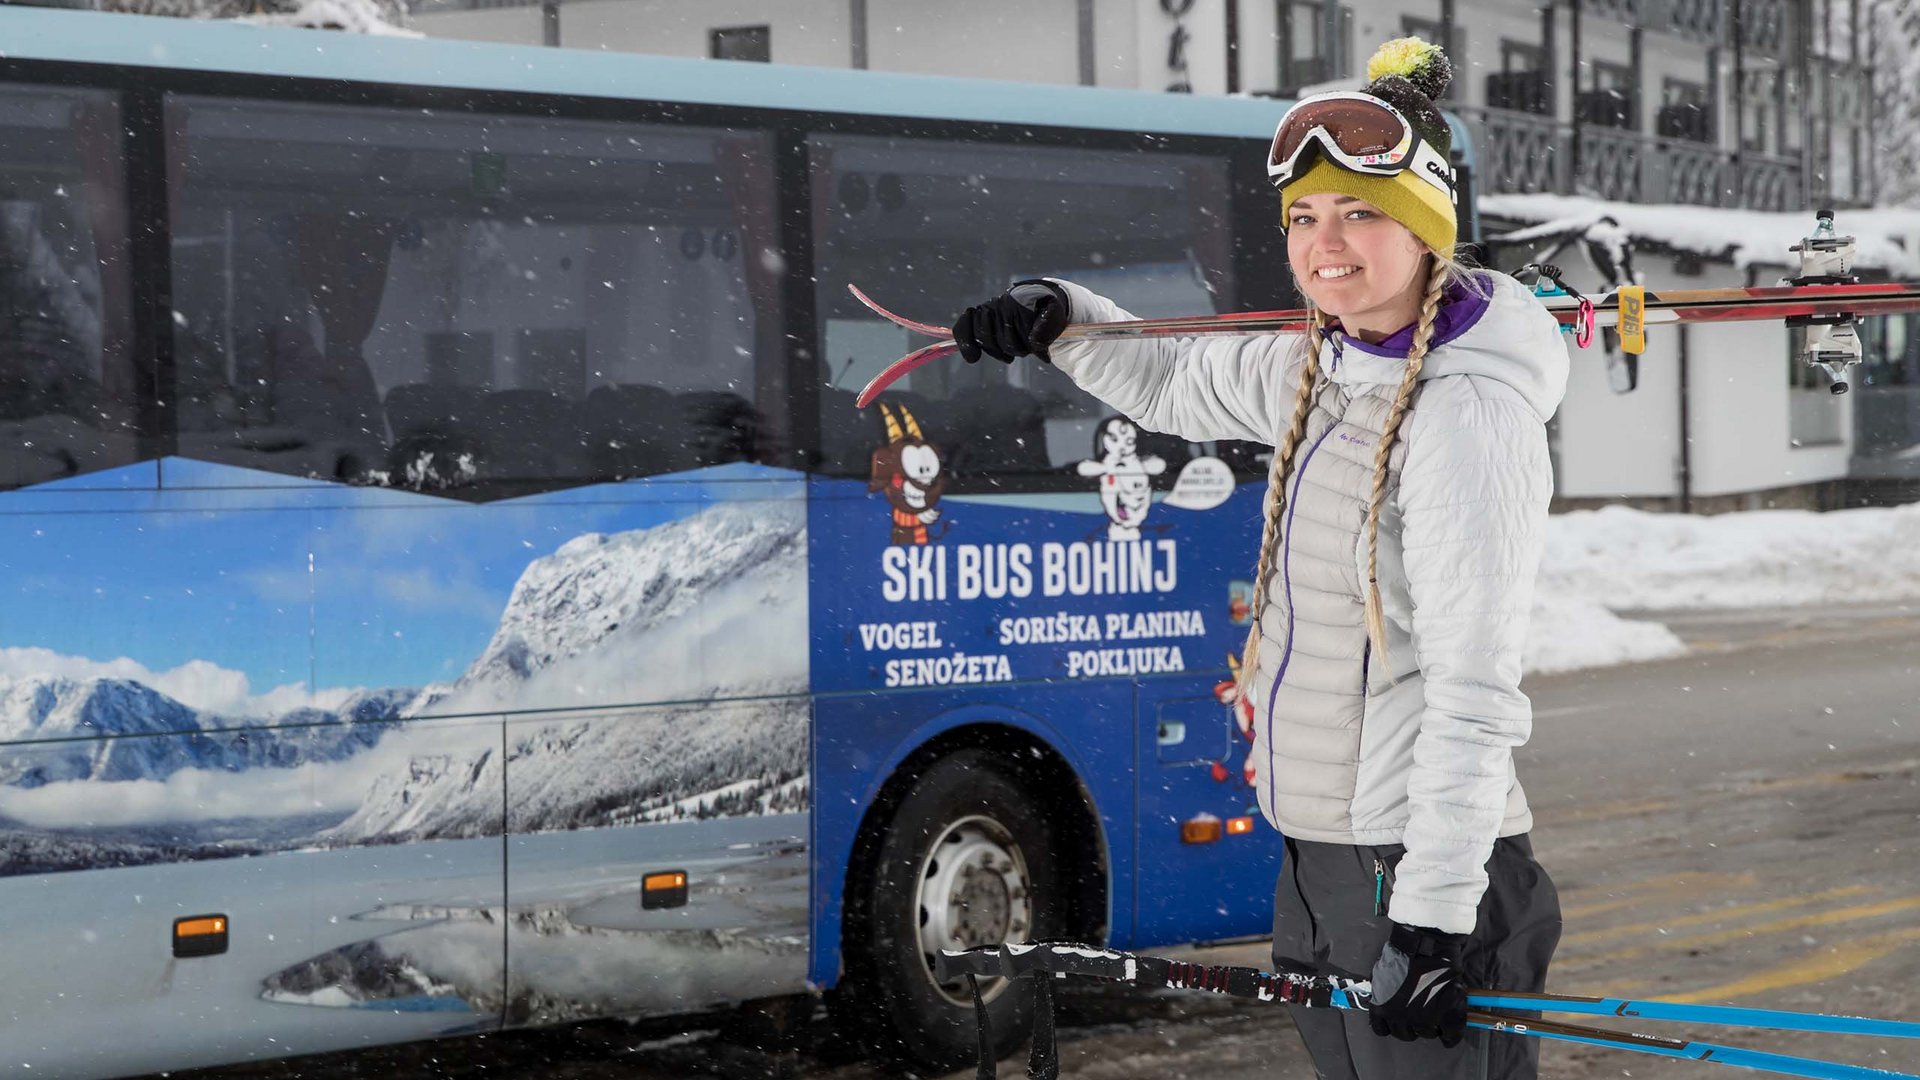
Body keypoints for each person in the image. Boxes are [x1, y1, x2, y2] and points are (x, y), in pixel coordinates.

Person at [949, 38, 1566, 1080]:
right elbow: (1178, 380)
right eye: (1304, 218)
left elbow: (1474, 691)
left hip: (1412, 869)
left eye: (1362, 214)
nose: (1327, 244)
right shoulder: (1321, 364)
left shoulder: (1465, 414)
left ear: (1426, 233)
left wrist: (1430, 920)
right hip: (1324, 854)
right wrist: (1059, 317)